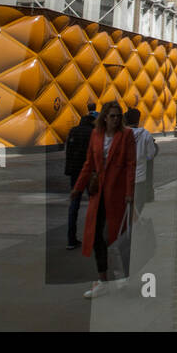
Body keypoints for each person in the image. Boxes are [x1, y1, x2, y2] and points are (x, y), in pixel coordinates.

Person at [74, 101, 135, 298]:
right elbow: (89, 163)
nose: (116, 119)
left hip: (117, 194)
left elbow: (130, 165)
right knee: (96, 237)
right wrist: (77, 188)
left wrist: (129, 193)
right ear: (105, 118)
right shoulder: (96, 135)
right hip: (98, 194)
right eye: (112, 116)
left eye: (118, 116)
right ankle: (103, 280)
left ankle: (122, 277)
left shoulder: (126, 135)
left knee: (117, 237)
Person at [65, 105, 99, 249]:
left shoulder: (73, 131)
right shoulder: (93, 133)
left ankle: (71, 240)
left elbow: (68, 152)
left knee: (74, 205)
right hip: (88, 172)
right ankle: (92, 238)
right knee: (93, 205)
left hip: (74, 172)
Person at [125, 107, 159, 214]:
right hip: (140, 175)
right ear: (138, 119)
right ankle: (134, 221)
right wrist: (144, 158)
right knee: (139, 203)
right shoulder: (146, 135)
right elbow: (151, 154)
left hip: (124, 175)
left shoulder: (122, 134)